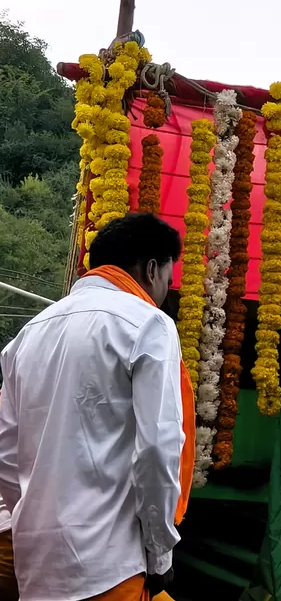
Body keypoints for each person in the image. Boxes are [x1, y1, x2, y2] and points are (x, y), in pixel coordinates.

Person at [0, 213, 190, 600]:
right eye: (168, 281)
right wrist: (160, 554)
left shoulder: (28, 334)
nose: (165, 292)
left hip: (36, 565)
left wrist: (36, 521)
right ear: (151, 269)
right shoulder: (149, 324)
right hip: (109, 565)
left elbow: (6, 453)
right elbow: (157, 448)